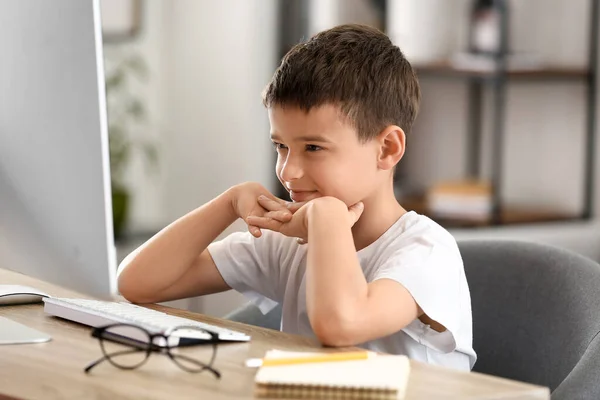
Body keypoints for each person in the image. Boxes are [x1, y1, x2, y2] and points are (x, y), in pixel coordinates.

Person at [117, 24, 476, 371]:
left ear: (386, 148)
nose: (287, 171)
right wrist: (227, 204)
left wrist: (329, 218)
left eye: (313, 147)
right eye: (281, 146)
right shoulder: (290, 245)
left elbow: (340, 325)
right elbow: (137, 283)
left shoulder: (427, 251)